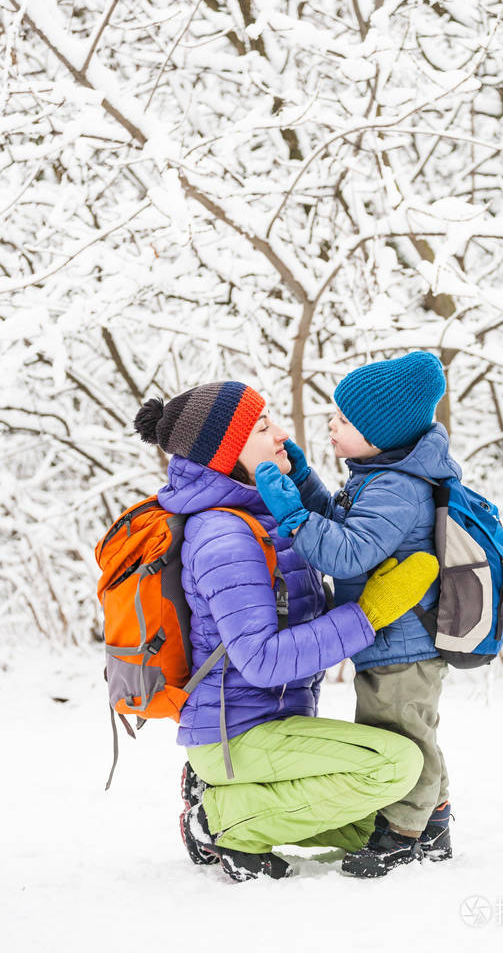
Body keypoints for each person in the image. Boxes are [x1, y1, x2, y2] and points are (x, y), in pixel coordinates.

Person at [133, 380, 438, 883]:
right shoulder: (225, 534)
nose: (280, 432)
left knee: (384, 821)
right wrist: (369, 615)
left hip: (272, 725)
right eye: (261, 426)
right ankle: (219, 820)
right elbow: (262, 660)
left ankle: (222, 799)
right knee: (396, 767)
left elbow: (336, 530)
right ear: (229, 450)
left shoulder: (261, 514)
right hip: (239, 735)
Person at [255, 351, 462, 878]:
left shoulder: (397, 488)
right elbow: (344, 526)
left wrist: (291, 517)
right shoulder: (381, 473)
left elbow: (347, 552)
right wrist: (303, 481)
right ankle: (431, 820)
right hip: (389, 638)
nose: (332, 423)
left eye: (345, 420)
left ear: (380, 433)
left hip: (404, 642)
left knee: (402, 736)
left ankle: (403, 833)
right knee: (409, 729)